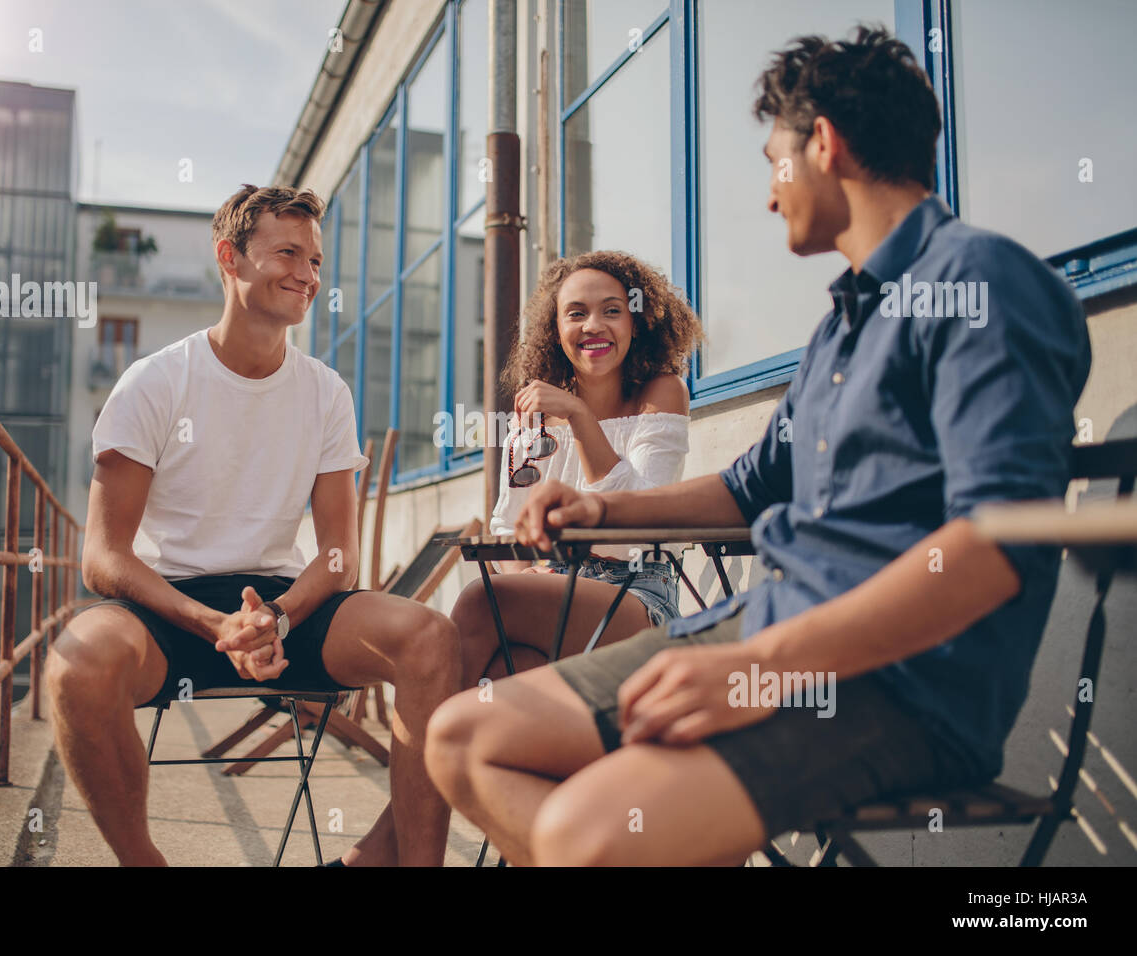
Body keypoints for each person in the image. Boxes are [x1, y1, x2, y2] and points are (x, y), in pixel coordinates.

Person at [424, 26, 1092, 866]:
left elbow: (993, 547)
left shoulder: (981, 286)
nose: (770, 196)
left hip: (893, 685)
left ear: (825, 143)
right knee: (462, 739)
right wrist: (602, 506)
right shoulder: (841, 328)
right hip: (754, 631)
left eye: (776, 163)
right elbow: (745, 489)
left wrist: (759, 670)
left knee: (580, 835)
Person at [48, 184, 460, 867]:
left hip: (281, 606)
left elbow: (337, 556)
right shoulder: (153, 383)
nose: (307, 273)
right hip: (169, 609)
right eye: (288, 253)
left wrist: (277, 617)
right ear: (229, 260)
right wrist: (215, 625)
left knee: (429, 637)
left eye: (316, 260)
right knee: (78, 662)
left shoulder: (326, 391)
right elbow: (103, 558)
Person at [452, 251, 702, 689]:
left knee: (480, 602)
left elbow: (639, 524)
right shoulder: (536, 415)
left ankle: (431, 751)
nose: (593, 326)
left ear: (636, 322)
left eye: (612, 311)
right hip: (554, 589)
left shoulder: (661, 393)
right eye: (576, 313)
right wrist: (524, 574)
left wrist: (580, 418)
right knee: (508, 672)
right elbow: (506, 526)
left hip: (638, 594)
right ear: (556, 329)